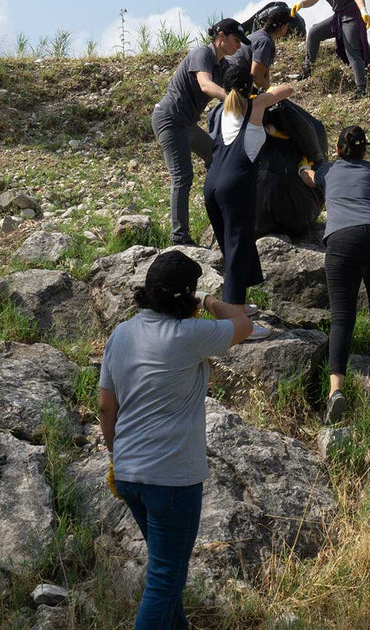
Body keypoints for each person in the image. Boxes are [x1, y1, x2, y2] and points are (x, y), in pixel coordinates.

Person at [97, 250, 253, 630]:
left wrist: (117, 454)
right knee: (165, 579)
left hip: (130, 473)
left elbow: (105, 407)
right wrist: (210, 302)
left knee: (169, 571)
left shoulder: (121, 334)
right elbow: (244, 324)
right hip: (172, 479)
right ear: (186, 296)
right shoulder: (190, 334)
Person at [298, 126, 370, 423]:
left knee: (343, 316)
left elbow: (309, 179)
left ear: (338, 150)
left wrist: (303, 167)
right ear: (364, 151)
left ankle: (336, 391)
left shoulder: (328, 171)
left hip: (344, 238)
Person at [204, 63, 293, 321]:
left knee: (233, 244)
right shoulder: (255, 106)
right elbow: (286, 89)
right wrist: (262, 92)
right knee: (238, 246)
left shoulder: (220, 110)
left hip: (211, 185)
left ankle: (238, 305)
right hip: (236, 184)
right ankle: (234, 320)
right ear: (247, 87)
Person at [155, 18, 251, 246]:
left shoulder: (223, 66)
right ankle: (179, 236)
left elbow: (239, 86)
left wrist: (260, 99)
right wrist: (232, 99)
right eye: (236, 41)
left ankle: (219, 211)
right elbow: (206, 85)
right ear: (221, 37)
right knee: (183, 175)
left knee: (216, 156)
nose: (238, 47)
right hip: (169, 118)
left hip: (186, 124)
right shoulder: (203, 54)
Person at [292, 0, 370, 97]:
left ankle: (361, 89)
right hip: (338, 18)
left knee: (352, 51)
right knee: (314, 32)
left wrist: (364, 11)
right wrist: (300, 4)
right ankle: (308, 69)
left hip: (351, 17)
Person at [225, 3, 292, 91]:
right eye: (287, 26)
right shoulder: (264, 41)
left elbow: (264, 74)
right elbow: (257, 77)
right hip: (233, 80)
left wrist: (268, 90)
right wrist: (272, 95)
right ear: (283, 27)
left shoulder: (263, 37)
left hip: (233, 77)